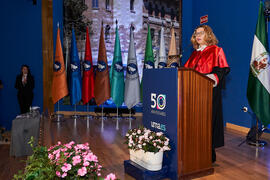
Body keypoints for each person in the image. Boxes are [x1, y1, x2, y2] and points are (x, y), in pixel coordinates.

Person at [184, 25, 230, 163]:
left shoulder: (216, 50)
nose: (198, 36)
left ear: (208, 35)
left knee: (207, 122)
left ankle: (208, 155)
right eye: (196, 33)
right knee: (194, 122)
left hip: (209, 93)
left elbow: (223, 70)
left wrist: (209, 78)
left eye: (201, 33)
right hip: (193, 92)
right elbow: (186, 71)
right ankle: (193, 151)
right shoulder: (194, 53)